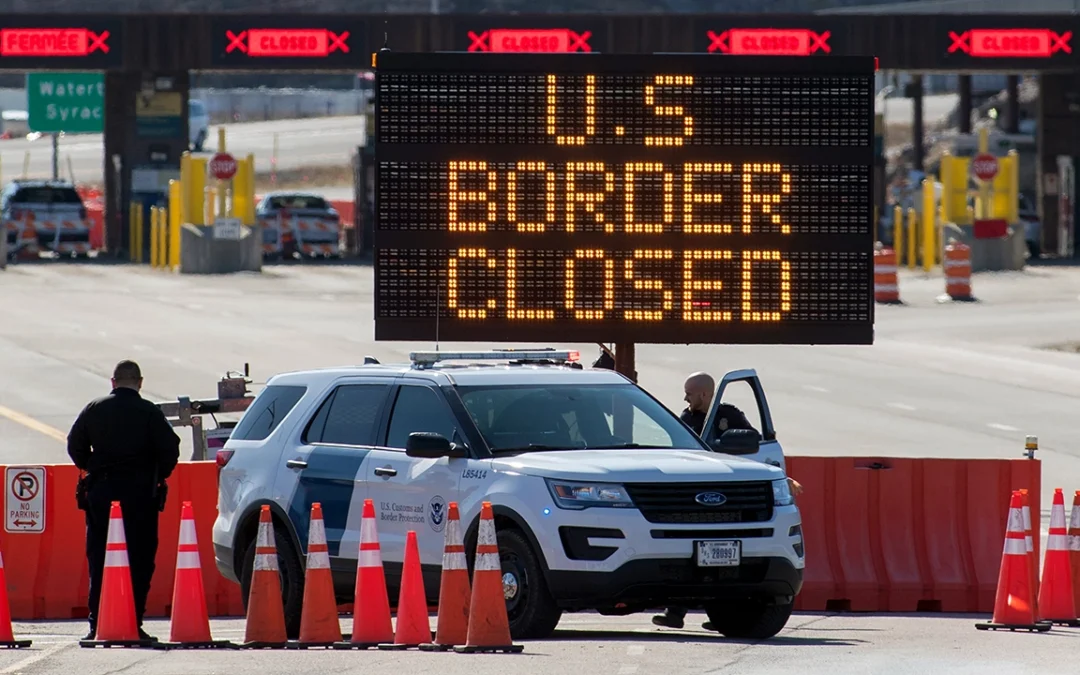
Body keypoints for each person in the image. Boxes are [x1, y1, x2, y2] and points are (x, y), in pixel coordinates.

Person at [68, 360, 180, 641]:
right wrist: (156, 474)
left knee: (99, 556)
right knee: (140, 558)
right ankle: (133, 622)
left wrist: (91, 466)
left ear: (113, 381)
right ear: (140, 382)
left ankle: (97, 624)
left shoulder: (95, 408)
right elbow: (170, 448)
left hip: (102, 492)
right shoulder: (149, 412)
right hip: (140, 494)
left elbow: (74, 445)